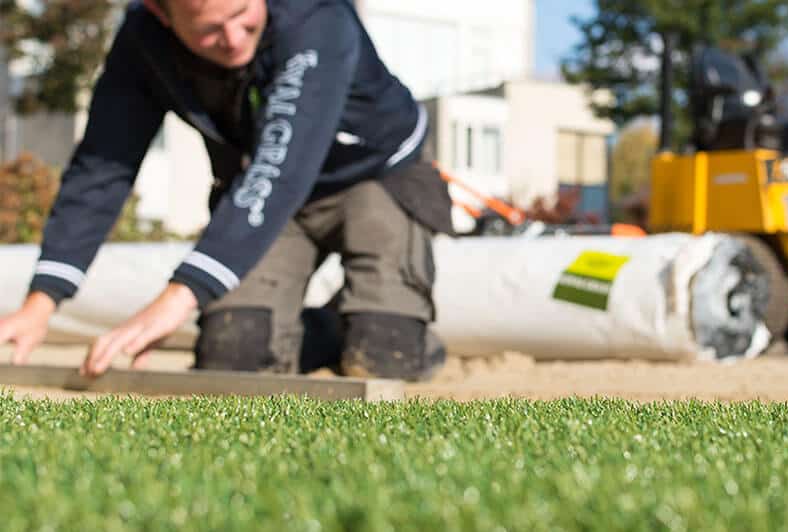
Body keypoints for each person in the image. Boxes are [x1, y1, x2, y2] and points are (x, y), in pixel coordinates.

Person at [0, 0, 454, 381]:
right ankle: (331, 330)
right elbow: (103, 165)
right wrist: (42, 301)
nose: (235, 39)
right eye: (210, 30)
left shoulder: (316, 13)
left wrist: (178, 297)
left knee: (382, 354)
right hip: (264, 194)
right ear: (162, 14)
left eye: (242, 13)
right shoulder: (143, 41)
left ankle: (394, 328)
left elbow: (284, 160)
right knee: (233, 357)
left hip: (376, 175)